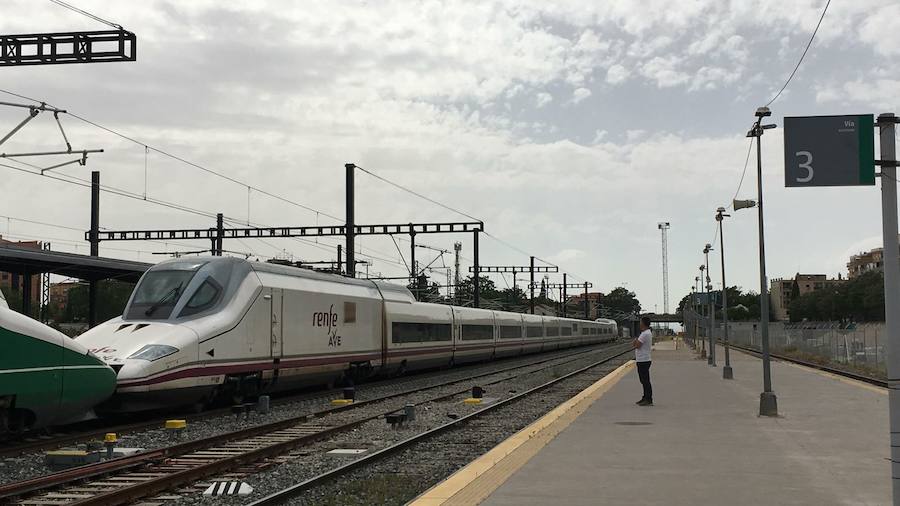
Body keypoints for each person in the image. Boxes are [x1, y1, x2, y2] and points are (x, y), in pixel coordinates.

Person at [633, 316, 653, 406]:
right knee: (644, 380)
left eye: (640, 322)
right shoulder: (647, 333)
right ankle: (645, 397)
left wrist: (635, 341)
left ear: (643, 323)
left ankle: (648, 399)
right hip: (644, 359)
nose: (639, 323)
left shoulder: (644, 334)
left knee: (645, 380)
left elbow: (637, 345)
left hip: (643, 360)